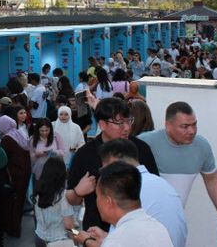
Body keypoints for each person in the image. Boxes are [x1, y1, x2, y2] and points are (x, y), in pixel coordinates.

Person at [139, 102, 217, 246]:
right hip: (141, 224)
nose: (192, 131)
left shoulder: (202, 146)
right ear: (168, 125)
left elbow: (212, 179)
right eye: (185, 126)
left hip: (174, 225)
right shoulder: (144, 142)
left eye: (194, 125)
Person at [66, 98, 159, 232]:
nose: (127, 128)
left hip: (135, 230)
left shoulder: (141, 149)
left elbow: (154, 184)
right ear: (102, 124)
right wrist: (78, 192)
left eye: (129, 121)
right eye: (120, 123)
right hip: (96, 231)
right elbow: (71, 199)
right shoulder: (84, 154)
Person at [98, 139, 187, 247]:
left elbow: (121, 239)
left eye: (105, 170)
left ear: (115, 164)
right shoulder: (162, 183)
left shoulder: (127, 187)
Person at [73, 162, 173, 247]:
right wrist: (106, 239)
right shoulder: (158, 227)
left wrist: (87, 241)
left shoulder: (117, 240)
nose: (97, 201)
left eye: (98, 196)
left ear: (108, 202)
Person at [0, 115, 31, 238]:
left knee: (12, 202)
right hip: (24, 173)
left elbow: (1, 158)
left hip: (14, 174)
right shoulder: (18, 134)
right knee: (19, 201)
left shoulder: (7, 139)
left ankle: (11, 228)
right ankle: (16, 227)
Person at [33, 157, 76, 246]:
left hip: (39, 237)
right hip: (58, 241)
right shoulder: (63, 196)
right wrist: (78, 234)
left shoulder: (38, 192)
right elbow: (69, 227)